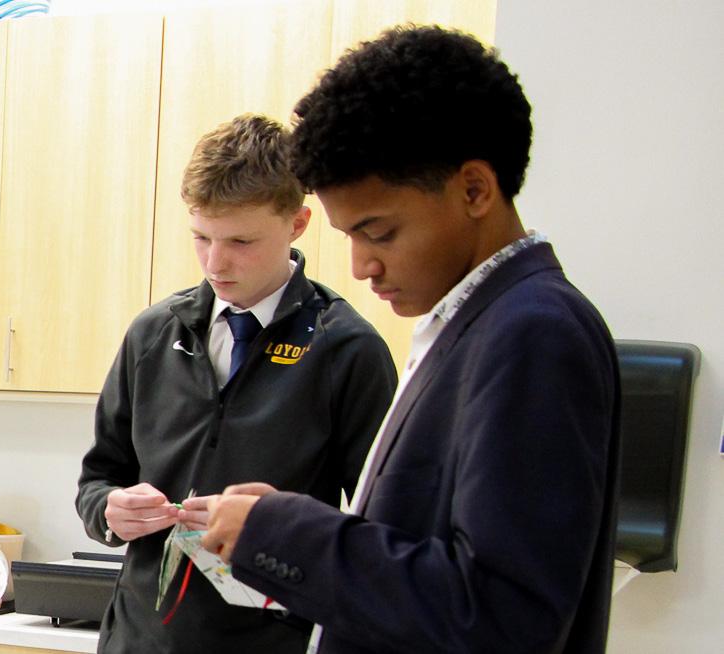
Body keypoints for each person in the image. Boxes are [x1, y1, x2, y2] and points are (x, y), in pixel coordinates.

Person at [202, 25, 621, 654]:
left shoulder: (533, 332)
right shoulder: (478, 322)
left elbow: (499, 618)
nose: (361, 266)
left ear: (474, 190)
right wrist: (291, 526)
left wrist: (288, 536)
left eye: (379, 233)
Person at [75, 114, 397, 654]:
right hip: (139, 639)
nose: (215, 262)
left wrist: (279, 534)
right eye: (201, 237)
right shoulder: (152, 333)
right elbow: (98, 479)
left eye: (241, 241)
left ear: (298, 224)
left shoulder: (347, 349)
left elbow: (380, 532)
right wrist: (109, 511)